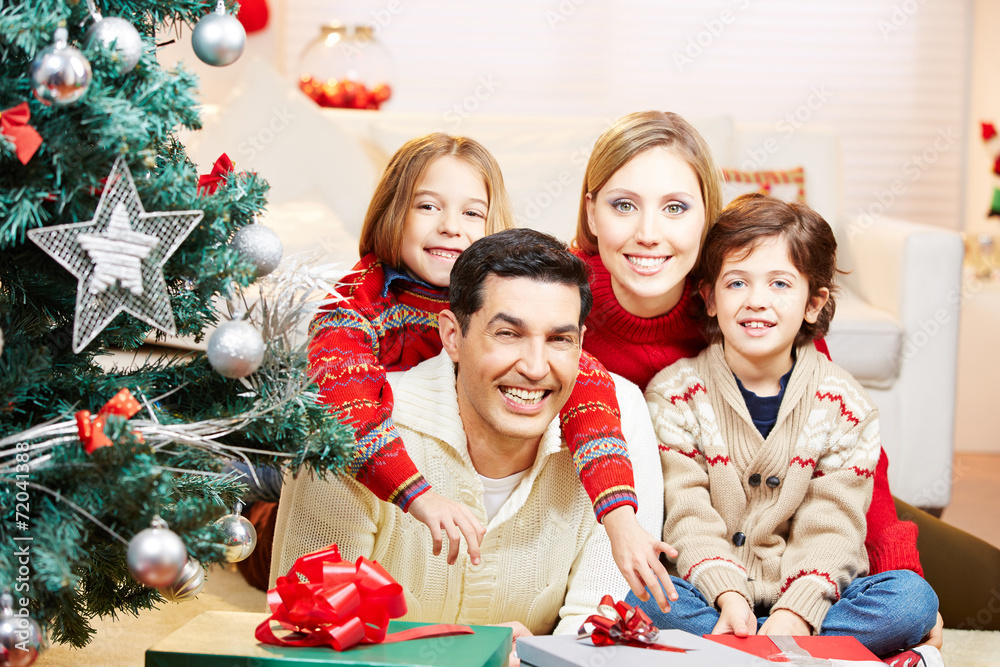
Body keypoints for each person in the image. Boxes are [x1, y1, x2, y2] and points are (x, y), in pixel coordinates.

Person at [570, 111, 951, 646]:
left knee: (921, 598)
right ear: (591, 210)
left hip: (814, 515)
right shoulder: (558, 300)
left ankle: (763, 642)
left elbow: (855, 483)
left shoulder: (763, 317)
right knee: (637, 600)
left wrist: (906, 576)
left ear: (707, 217)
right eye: (623, 205)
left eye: (675, 207)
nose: (648, 233)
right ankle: (770, 644)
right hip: (684, 551)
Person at [301, 132, 676, 608]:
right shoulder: (354, 308)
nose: (451, 228)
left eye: (472, 213)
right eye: (427, 207)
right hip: (373, 455)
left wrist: (619, 516)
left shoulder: (510, 293)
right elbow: (344, 414)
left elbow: (591, 397)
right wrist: (421, 496)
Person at [269, 229, 666, 656]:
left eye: (559, 339)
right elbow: (308, 635)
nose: (535, 368)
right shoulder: (352, 428)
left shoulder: (621, 414)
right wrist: (476, 653)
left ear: (581, 343)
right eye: (508, 334)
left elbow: (599, 631)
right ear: (452, 337)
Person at [628, 193, 938, 655]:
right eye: (736, 284)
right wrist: (727, 592)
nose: (756, 301)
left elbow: (833, 523)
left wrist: (797, 610)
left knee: (912, 602)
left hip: (816, 602)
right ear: (709, 298)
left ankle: (749, 651)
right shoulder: (674, 393)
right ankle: (773, 652)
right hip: (711, 596)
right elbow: (686, 510)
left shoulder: (844, 404)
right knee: (645, 600)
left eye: (779, 284)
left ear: (813, 304)